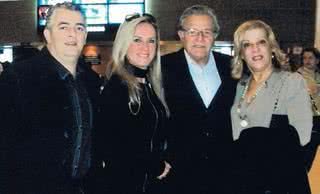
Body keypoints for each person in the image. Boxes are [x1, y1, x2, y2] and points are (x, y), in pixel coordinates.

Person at [0, 2, 99, 193]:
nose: (72, 34)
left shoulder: (91, 82)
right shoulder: (19, 78)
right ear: (47, 35)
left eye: (79, 28)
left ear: (85, 36)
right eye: (63, 27)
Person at [91, 13, 171, 194]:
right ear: (124, 44)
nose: (145, 47)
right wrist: (154, 166)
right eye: (137, 40)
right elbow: (112, 148)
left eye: (151, 41)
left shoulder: (148, 84)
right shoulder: (117, 88)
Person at [161, 5, 237, 194]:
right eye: (192, 31)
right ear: (181, 35)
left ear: (215, 35)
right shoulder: (162, 68)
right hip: (178, 174)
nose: (200, 38)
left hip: (225, 173)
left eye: (206, 32)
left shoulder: (232, 68)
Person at [231, 20, 312, 194]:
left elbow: (302, 137)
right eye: (247, 45)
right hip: (242, 180)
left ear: (272, 48)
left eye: (261, 42)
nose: (255, 49)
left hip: (277, 182)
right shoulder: (240, 86)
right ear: (241, 54)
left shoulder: (291, 82)